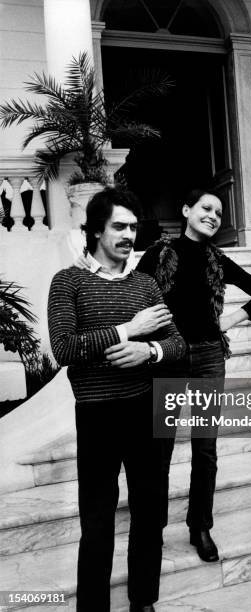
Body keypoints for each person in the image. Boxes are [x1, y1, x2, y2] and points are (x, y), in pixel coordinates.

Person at [48, 187, 186, 612]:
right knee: (97, 521)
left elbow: (178, 343)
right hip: (97, 415)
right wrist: (130, 329)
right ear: (94, 231)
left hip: (145, 410)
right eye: (119, 226)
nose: (129, 234)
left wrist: (152, 350)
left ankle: (143, 600)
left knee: (150, 514)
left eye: (133, 226)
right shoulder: (68, 282)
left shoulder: (145, 285)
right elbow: (65, 349)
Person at [134, 188, 251, 563]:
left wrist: (224, 322)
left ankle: (200, 526)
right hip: (169, 356)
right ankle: (154, 527)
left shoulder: (218, 260)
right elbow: (135, 295)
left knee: (205, 448)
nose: (212, 215)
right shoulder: (160, 253)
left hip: (210, 358)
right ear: (186, 210)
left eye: (218, 211)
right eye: (205, 208)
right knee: (159, 448)